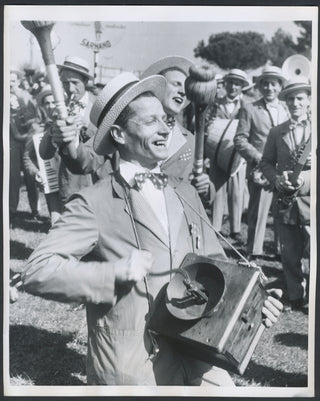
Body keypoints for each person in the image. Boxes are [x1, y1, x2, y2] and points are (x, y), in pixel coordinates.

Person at [22, 72, 283, 386]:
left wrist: (254, 304)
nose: (164, 129)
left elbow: (219, 269)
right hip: (135, 362)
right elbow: (37, 271)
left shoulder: (184, 191)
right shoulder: (94, 201)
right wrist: (114, 273)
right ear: (119, 135)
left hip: (197, 350)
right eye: (150, 122)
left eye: (166, 121)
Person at [53, 56, 213, 203]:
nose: (182, 91)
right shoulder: (122, 125)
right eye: (176, 84)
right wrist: (69, 140)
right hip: (120, 214)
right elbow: (84, 161)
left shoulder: (190, 140)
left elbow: (196, 190)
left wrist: (206, 189)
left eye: (185, 87)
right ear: (159, 86)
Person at [260, 77, 311, 312]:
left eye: (300, 98)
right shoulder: (276, 132)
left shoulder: (316, 130)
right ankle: (295, 295)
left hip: (312, 200)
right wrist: (276, 179)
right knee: (289, 253)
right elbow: (266, 163)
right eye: (290, 99)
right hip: (285, 201)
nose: (295, 103)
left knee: (314, 251)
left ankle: (313, 296)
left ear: (308, 101)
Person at [234, 66, 290, 259]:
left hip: (283, 170)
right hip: (260, 169)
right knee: (257, 213)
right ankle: (254, 252)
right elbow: (239, 139)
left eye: (273, 84)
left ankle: (280, 250)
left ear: (280, 86)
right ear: (259, 86)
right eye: (264, 83)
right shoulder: (249, 109)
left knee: (282, 212)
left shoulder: (286, 109)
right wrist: (259, 157)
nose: (269, 88)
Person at [39, 56, 97, 205]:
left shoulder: (98, 107)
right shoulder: (58, 107)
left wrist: (85, 126)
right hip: (67, 186)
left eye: (75, 83)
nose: (70, 89)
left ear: (86, 81)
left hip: (94, 186)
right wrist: (54, 130)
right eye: (65, 83)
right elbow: (45, 153)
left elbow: (103, 149)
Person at [205, 69, 249, 242]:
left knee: (237, 192)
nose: (233, 87)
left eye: (237, 84)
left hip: (237, 154)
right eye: (230, 82)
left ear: (242, 87)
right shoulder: (216, 103)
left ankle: (235, 228)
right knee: (217, 189)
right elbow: (208, 124)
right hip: (217, 152)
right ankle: (215, 226)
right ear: (226, 84)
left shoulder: (246, 106)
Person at [23, 85, 62, 224]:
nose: (51, 106)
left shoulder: (70, 123)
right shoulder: (37, 129)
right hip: (51, 180)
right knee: (56, 222)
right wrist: (35, 172)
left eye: (54, 102)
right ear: (43, 106)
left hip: (72, 182)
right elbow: (27, 156)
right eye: (47, 103)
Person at [9, 69, 39, 222]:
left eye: (12, 81)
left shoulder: (27, 96)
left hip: (28, 139)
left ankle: (35, 209)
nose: (9, 84)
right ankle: (12, 209)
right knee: (13, 177)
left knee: (30, 176)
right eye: (7, 81)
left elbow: (35, 118)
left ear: (19, 82)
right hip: (13, 141)